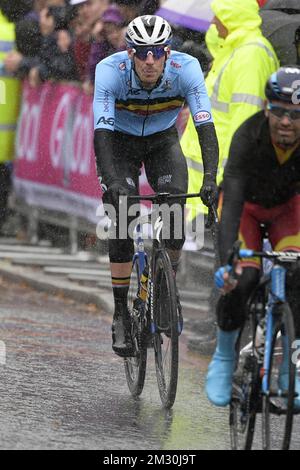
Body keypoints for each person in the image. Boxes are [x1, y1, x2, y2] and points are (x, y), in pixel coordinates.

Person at [93, 15, 219, 357]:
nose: (150, 61)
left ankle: (162, 288)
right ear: (130, 53)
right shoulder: (109, 70)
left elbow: (205, 125)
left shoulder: (187, 68)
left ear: (167, 52)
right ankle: (121, 313)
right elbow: (102, 133)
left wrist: (210, 178)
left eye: (157, 53)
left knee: (175, 215)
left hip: (163, 142)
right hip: (120, 144)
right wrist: (112, 183)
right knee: (122, 218)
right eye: (142, 53)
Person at [205, 66, 300, 409]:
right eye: (277, 112)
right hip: (244, 209)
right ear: (265, 107)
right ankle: (224, 355)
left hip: (287, 211)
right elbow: (230, 204)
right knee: (242, 279)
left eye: (294, 114)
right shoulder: (248, 136)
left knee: (296, 277)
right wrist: (224, 262)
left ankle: (292, 365)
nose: (285, 122)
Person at [180, 0, 279, 219]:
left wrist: (229, 182)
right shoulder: (234, 52)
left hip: (219, 188)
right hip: (203, 187)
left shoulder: (250, 56)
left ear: (231, 18)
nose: (213, 21)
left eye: (219, 16)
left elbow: (246, 125)